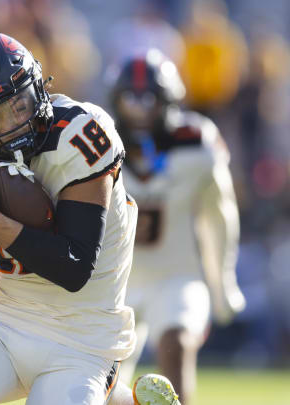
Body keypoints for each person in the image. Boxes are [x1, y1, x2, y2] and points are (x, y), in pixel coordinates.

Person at [0, 30, 181, 405]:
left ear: (37, 86)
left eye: (20, 103)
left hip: (84, 340)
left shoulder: (78, 135)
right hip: (5, 320)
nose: (14, 121)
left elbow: (74, 267)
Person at [108, 49, 245, 404]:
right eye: (130, 100)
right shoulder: (101, 141)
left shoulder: (197, 143)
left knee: (177, 342)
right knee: (103, 380)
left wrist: (222, 279)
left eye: (148, 100)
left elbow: (220, 214)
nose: (138, 111)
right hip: (116, 282)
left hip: (177, 274)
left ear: (168, 102)